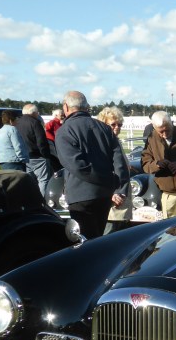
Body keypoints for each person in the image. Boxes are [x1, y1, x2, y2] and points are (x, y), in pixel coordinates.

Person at [55, 90, 130, 238]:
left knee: (85, 242)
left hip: (80, 195)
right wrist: (115, 185)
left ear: (66, 107)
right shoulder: (104, 128)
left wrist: (109, 181)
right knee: (99, 237)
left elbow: (78, 166)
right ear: (86, 106)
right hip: (104, 195)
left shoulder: (65, 130)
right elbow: (119, 162)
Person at [97, 106, 133, 233]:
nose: (117, 127)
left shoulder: (116, 141)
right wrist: (111, 193)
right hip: (112, 201)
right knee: (108, 239)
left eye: (120, 124)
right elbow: (99, 171)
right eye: (113, 124)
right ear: (104, 124)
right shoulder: (102, 144)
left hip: (122, 200)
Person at [16, 103, 52, 196]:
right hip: (37, 156)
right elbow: (41, 140)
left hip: (24, 156)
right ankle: (42, 202)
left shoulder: (17, 123)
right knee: (43, 180)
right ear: (34, 112)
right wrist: (46, 155)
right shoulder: (35, 122)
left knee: (30, 182)